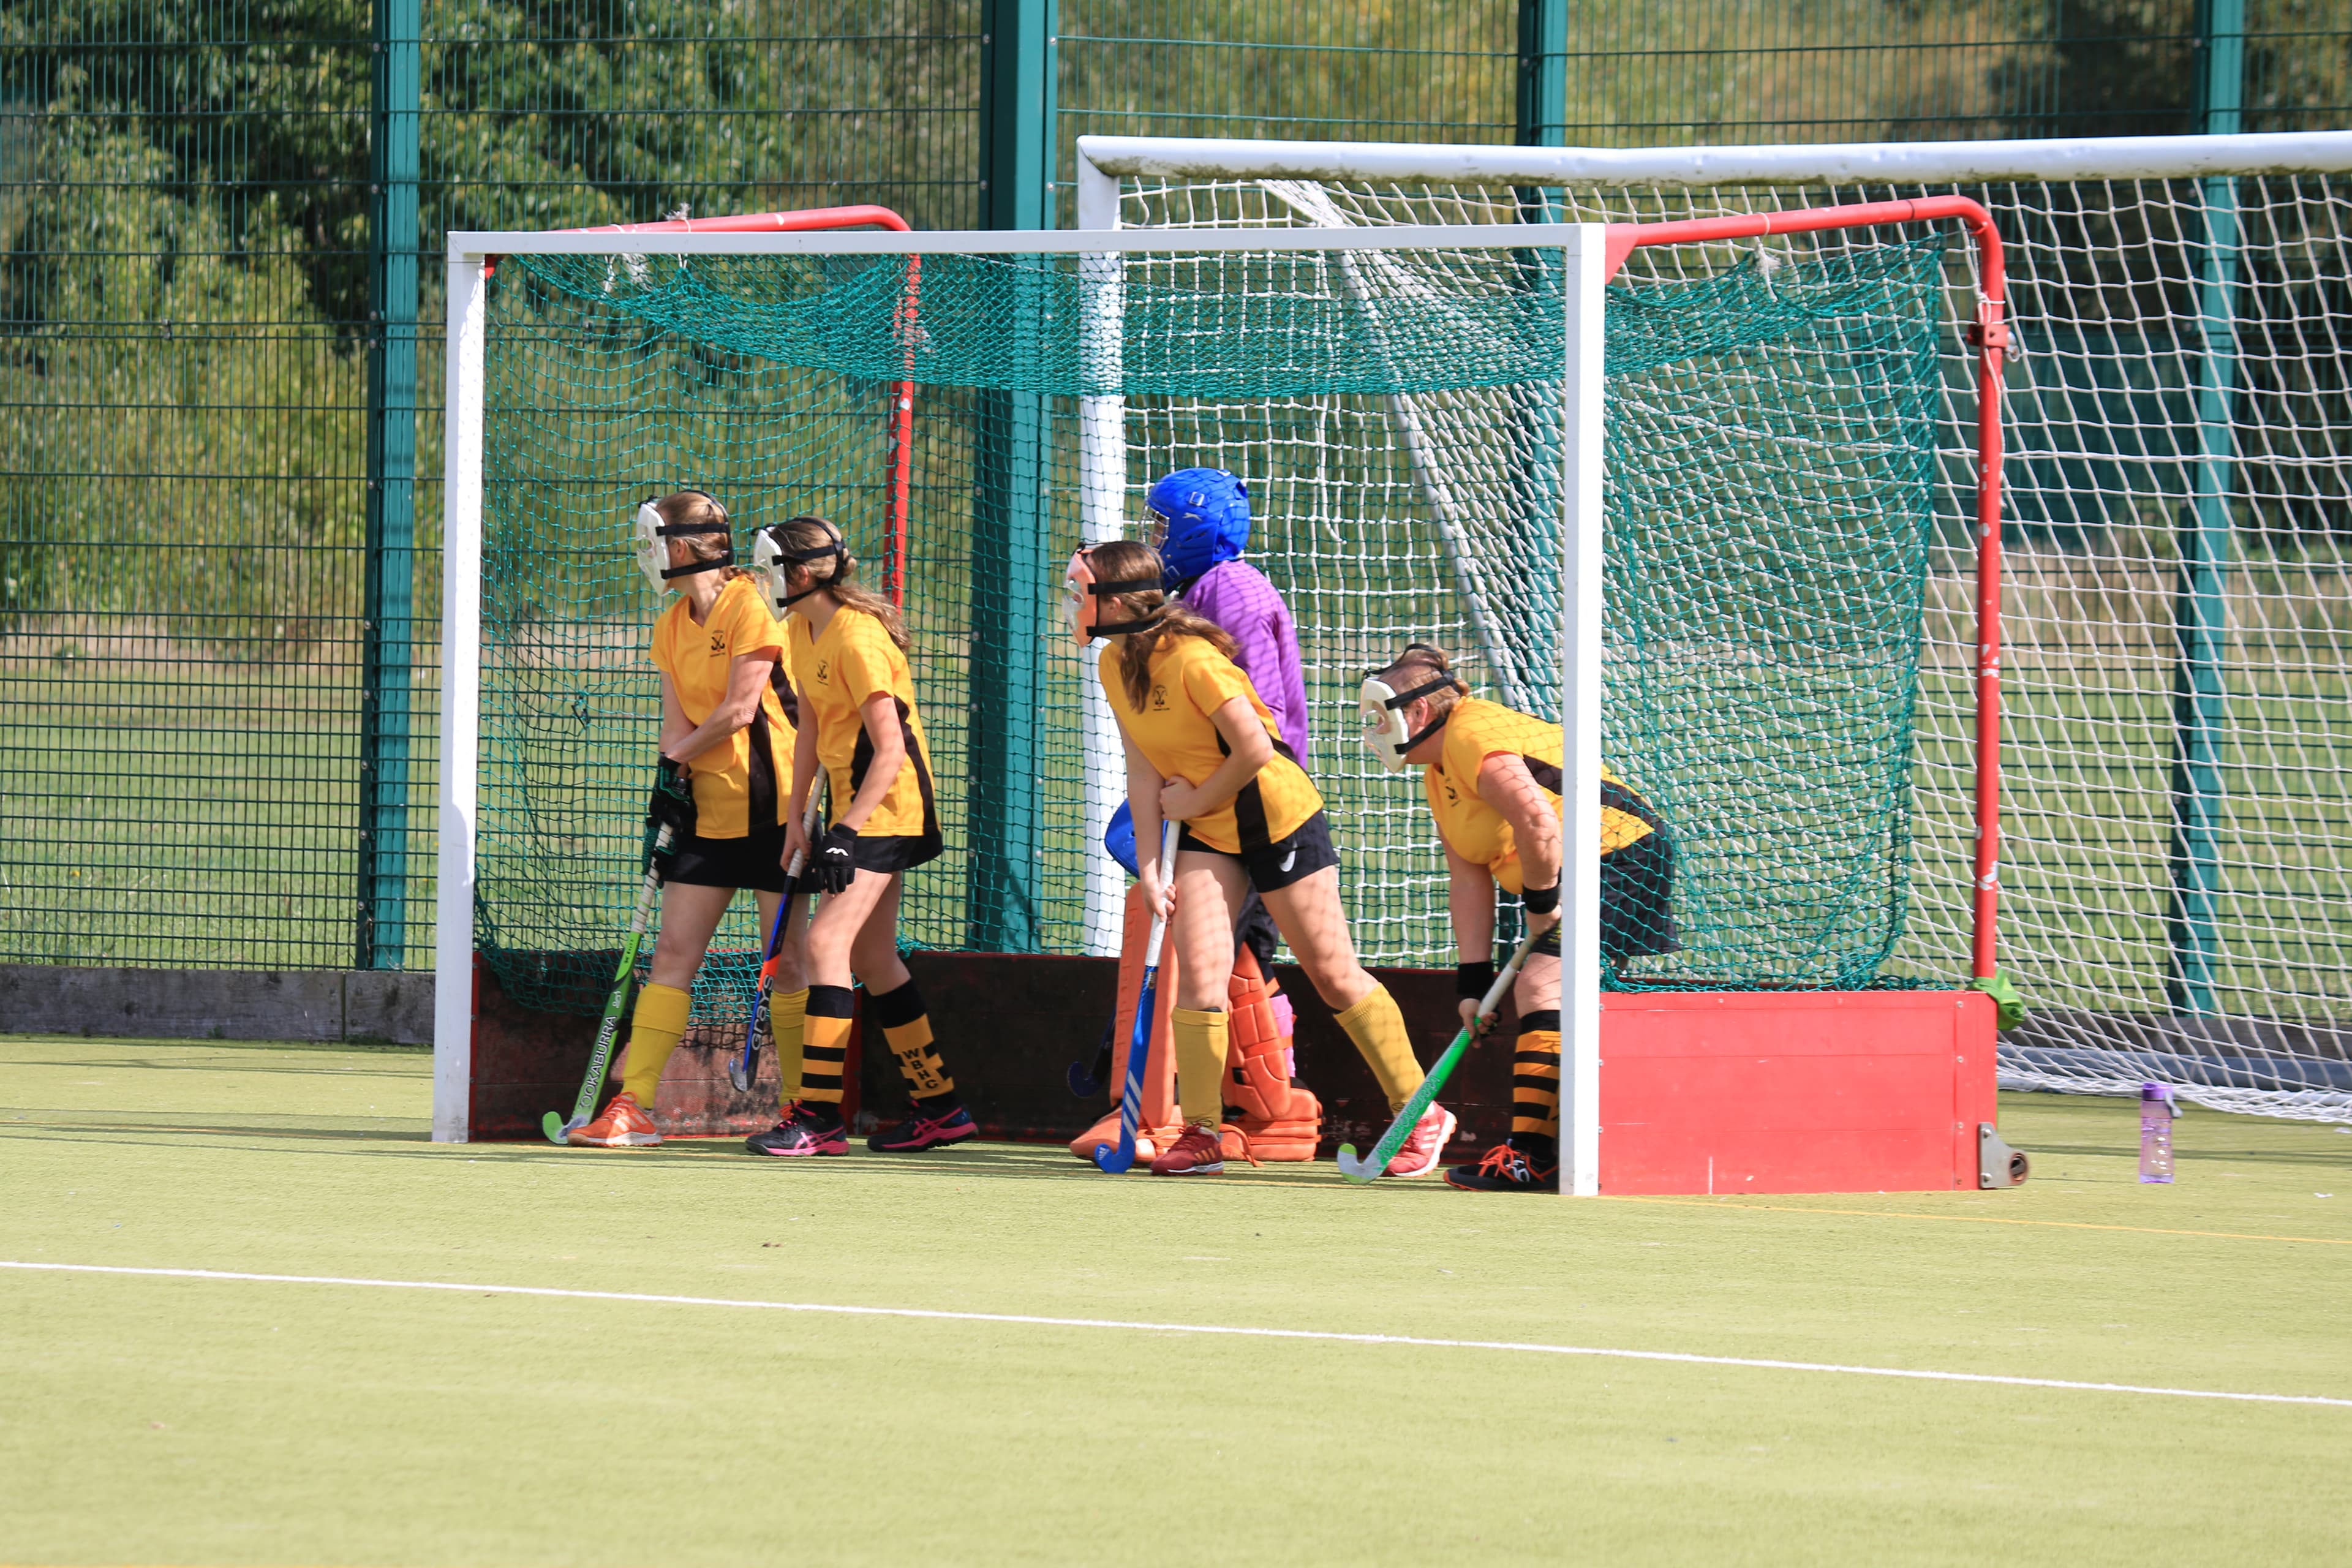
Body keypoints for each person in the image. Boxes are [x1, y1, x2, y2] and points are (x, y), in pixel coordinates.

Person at [1067, 538, 1453, 1177]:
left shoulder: (1193, 660)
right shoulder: (1115, 663)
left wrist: (1194, 802)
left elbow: (1254, 748)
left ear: (1115, 600)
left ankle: (1422, 1114)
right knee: (1201, 974)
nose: (1072, 602)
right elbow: (1142, 768)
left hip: (1275, 817)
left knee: (1333, 973)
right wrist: (1156, 865)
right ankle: (1202, 1131)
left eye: (1080, 589)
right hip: (1206, 828)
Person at [1357, 643, 1677, 1192]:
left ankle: (1532, 1157)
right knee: (1541, 990)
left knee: (1541, 986)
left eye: (1380, 715)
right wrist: (1473, 984)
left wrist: (1540, 903)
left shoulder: (1471, 737)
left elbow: (1538, 821)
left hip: (1621, 854)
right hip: (1564, 871)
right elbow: (1468, 879)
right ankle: (1543, 1150)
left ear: (1419, 712)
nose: (1372, 729)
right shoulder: (1438, 771)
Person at [568, 489, 809, 1148]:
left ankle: (803, 1109)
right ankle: (633, 1105)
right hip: (709, 814)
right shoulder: (672, 624)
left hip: (776, 810)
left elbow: (739, 710)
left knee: (784, 963)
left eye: (651, 543)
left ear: (678, 547)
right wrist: (669, 778)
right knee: (673, 951)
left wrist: (678, 757)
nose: (645, 556)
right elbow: (676, 726)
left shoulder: (751, 605)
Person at [743, 514, 973, 1157]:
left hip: (889, 806)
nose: (768, 581)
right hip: (851, 807)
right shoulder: (801, 629)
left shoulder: (858, 637)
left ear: (806, 572)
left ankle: (818, 1117)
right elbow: (812, 730)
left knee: (825, 941)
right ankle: (941, 1108)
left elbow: (892, 748)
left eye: (775, 568)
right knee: (872, 958)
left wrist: (844, 830)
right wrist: (798, 815)